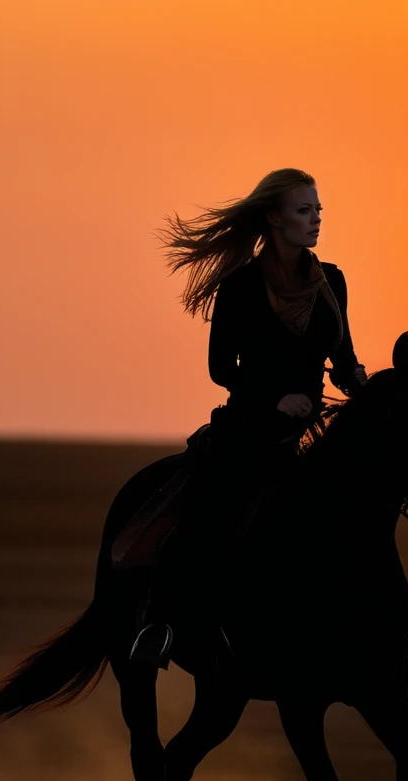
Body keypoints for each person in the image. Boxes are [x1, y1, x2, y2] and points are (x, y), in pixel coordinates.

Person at [129, 168, 367, 667]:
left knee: (362, 507)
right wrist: (274, 398)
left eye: (318, 210)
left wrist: (363, 387)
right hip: (251, 427)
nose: (316, 220)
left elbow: (342, 358)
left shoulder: (333, 282)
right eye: (305, 210)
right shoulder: (238, 286)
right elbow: (221, 368)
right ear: (274, 218)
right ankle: (158, 620)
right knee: (210, 511)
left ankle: (380, 632)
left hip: (312, 428)